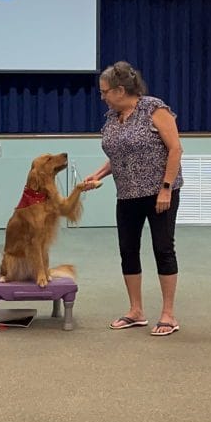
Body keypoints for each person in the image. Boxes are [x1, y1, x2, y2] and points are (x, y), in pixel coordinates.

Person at [83, 61, 183, 336]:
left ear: (119, 90)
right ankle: (136, 311)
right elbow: (119, 156)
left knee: (163, 249)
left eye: (104, 92)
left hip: (159, 193)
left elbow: (175, 149)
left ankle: (168, 314)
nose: (102, 96)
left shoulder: (154, 108)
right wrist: (98, 175)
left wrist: (166, 188)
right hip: (127, 193)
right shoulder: (112, 117)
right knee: (128, 250)